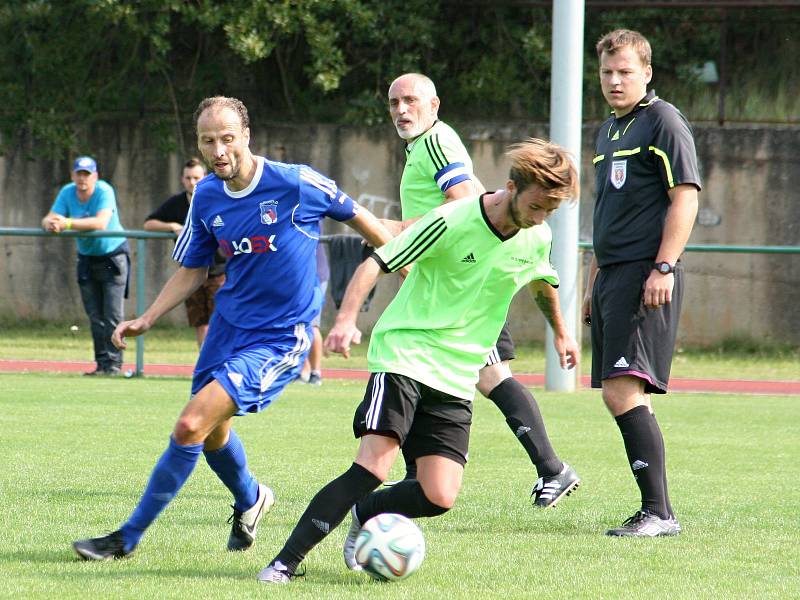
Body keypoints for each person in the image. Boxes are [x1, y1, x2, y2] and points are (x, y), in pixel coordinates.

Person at [71, 96, 394, 561]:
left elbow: (367, 224)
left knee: (190, 424)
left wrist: (407, 272)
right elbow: (192, 268)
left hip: (281, 336)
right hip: (227, 328)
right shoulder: (206, 195)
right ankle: (251, 499)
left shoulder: (296, 182)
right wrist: (148, 316)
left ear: (246, 136)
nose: (218, 150)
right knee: (213, 432)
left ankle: (126, 538)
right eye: (208, 141)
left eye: (227, 138)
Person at [258, 138, 580, 584]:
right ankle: (284, 563)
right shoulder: (453, 219)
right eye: (538, 205)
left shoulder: (536, 236)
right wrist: (347, 319)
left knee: (439, 495)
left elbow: (542, 281)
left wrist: (562, 332)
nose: (543, 218)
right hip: (405, 353)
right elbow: (378, 260)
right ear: (511, 187)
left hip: (456, 371)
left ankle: (367, 512)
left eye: (551, 210)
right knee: (374, 465)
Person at [383, 73, 579, 506]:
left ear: (434, 105)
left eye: (411, 101)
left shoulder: (436, 141)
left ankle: (551, 468)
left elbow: (465, 197)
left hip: (464, 289)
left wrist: (401, 233)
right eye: (394, 102)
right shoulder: (422, 145)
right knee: (488, 376)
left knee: (490, 377)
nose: (401, 110)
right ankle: (547, 468)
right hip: (453, 285)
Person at [583, 29, 700, 537]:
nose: (615, 80)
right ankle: (657, 510)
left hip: (643, 273)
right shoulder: (607, 130)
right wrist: (593, 278)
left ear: (647, 73)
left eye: (625, 71)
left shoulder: (662, 120)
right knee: (628, 392)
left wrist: (665, 266)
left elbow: (686, 196)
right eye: (608, 72)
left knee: (621, 391)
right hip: (612, 274)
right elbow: (607, 210)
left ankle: (659, 513)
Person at [41, 156, 129, 376]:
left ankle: (115, 365)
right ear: (73, 175)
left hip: (112, 257)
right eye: (79, 174)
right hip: (87, 259)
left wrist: (67, 223)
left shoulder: (104, 191)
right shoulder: (67, 191)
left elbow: (100, 223)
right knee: (95, 316)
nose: (82, 179)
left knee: (111, 315)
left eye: (87, 174)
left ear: (95, 177)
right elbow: (49, 217)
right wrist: (51, 223)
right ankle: (101, 365)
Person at [144, 158, 227, 348]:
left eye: (196, 177)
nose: (192, 182)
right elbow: (149, 224)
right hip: (190, 271)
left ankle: (220, 364)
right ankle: (204, 365)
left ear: (204, 177)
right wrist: (172, 226)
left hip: (220, 272)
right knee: (200, 322)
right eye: (188, 178)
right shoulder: (176, 203)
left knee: (221, 323)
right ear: (182, 179)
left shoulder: (217, 198)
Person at [298, 243, 329, 385]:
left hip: (315, 276)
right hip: (296, 278)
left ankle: (316, 372)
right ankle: (302, 370)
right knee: (297, 324)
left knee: (312, 324)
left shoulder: (310, 221)